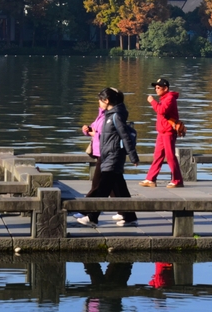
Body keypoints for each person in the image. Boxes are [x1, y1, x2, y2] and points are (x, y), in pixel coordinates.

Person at [76, 88, 139, 227]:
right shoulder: (108, 115)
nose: (99, 102)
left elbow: (125, 137)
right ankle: (129, 216)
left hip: (114, 156)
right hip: (107, 156)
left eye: (100, 100)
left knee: (103, 188)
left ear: (107, 101)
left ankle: (92, 217)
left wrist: (133, 156)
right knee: (120, 189)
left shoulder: (116, 116)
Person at [140, 77, 183, 188]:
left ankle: (177, 180)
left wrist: (152, 101)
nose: (156, 89)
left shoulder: (170, 98)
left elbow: (161, 110)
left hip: (168, 132)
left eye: (158, 87)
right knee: (158, 155)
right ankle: (151, 179)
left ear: (166, 88)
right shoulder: (163, 98)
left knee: (170, 156)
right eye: (155, 88)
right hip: (161, 132)